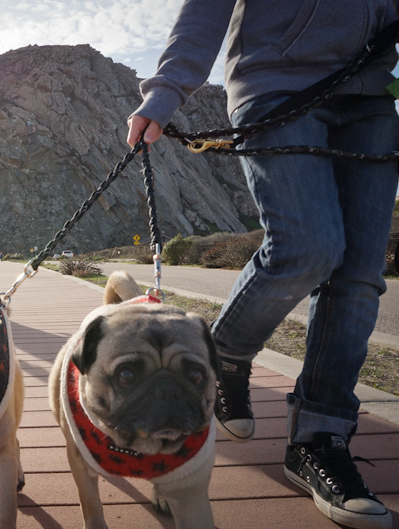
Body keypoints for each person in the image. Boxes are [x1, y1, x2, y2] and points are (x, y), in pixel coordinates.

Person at [127, 2, 398, 528]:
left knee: (361, 276)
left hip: (371, 96)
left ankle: (320, 438)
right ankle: (223, 355)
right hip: (275, 84)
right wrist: (166, 91)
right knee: (307, 248)